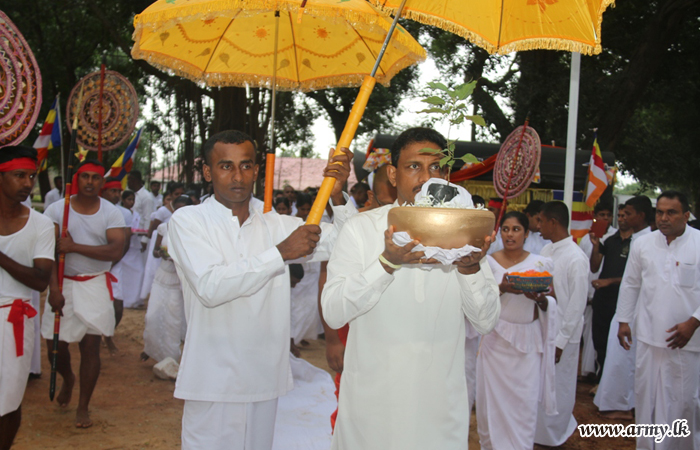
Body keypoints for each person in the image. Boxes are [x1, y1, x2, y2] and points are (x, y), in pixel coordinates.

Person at [167, 130, 356, 450]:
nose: (238, 176)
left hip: (264, 378)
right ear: (207, 171)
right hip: (212, 379)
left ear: (257, 170)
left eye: (246, 165)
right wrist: (280, 254)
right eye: (226, 166)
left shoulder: (277, 224)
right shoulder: (188, 221)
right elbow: (211, 287)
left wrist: (337, 196)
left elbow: (349, 245)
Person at [321, 127, 500, 450]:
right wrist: (386, 263)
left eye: (436, 168)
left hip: (439, 411)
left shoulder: (466, 232)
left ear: (447, 174)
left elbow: (486, 322)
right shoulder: (361, 230)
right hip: (370, 410)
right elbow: (334, 312)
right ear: (393, 173)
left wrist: (469, 267)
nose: (425, 177)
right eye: (414, 166)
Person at [41, 159, 126, 428]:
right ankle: (68, 377)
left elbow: (114, 251)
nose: (89, 182)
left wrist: (74, 246)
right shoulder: (57, 210)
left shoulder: (112, 213)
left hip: (95, 283)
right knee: (55, 349)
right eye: (85, 177)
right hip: (62, 282)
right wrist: (53, 289)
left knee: (91, 347)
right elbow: (48, 252)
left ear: (102, 182)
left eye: (95, 178)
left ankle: (83, 406)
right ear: (76, 179)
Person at [617, 191, 700, 450]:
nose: (663, 218)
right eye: (659, 212)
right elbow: (631, 283)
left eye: (671, 212)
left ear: (686, 215)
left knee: (683, 403)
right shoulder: (643, 243)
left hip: (687, 341)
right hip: (649, 337)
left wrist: (694, 322)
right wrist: (623, 321)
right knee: (646, 399)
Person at [478, 211, 556, 450]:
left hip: (528, 344)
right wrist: (501, 289)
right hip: (495, 343)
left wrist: (540, 299)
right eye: (506, 229)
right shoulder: (487, 263)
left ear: (527, 233)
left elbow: (551, 300)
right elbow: (478, 301)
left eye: (516, 229)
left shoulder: (540, 263)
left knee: (524, 405)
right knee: (491, 405)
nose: (510, 234)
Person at [0, 146, 55, 450]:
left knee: (8, 398)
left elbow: (39, 279)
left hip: (14, 319)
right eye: (19, 175)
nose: (27, 183)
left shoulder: (41, 224)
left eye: (31, 176)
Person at [534, 201, 589, 447]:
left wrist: (561, 341)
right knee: (540, 385)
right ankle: (539, 433)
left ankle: (557, 435)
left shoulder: (576, 258)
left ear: (553, 223)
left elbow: (577, 305)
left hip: (565, 334)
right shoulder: (546, 251)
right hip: (543, 328)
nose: (538, 226)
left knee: (560, 386)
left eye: (541, 221)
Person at [141, 195, 192, 363]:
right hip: (162, 276)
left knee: (173, 319)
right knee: (152, 315)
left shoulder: (193, 231)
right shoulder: (164, 227)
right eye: (177, 208)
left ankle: (171, 357)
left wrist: (178, 258)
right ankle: (151, 348)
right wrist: (162, 253)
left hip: (178, 279)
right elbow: (155, 251)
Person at [578, 201, 616, 381]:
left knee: (602, 336)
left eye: (608, 215)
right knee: (588, 333)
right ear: (596, 216)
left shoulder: (615, 237)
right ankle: (588, 370)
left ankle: (601, 372)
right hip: (588, 290)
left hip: (606, 293)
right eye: (602, 215)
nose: (605, 218)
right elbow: (587, 267)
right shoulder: (586, 239)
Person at [100, 177, 133, 355]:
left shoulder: (125, 213)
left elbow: (126, 241)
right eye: (113, 191)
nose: (116, 195)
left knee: (118, 306)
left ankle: (109, 334)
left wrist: (113, 261)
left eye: (118, 192)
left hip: (115, 264)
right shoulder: (95, 210)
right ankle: (97, 335)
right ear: (103, 191)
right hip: (96, 263)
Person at [117, 190, 144, 309]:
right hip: (123, 246)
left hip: (134, 246)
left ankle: (134, 299)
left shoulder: (136, 214)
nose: (131, 202)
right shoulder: (118, 212)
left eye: (133, 200)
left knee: (139, 271)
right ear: (123, 200)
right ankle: (123, 299)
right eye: (129, 199)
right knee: (123, 274)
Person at [127, 170, 155, 255]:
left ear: (135, 180)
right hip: (132, 236)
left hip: (141, 237)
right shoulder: (132, 195)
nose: (127, 182)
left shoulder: (146, 197)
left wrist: (145, 239)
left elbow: (148, 218)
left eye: (129, 180)